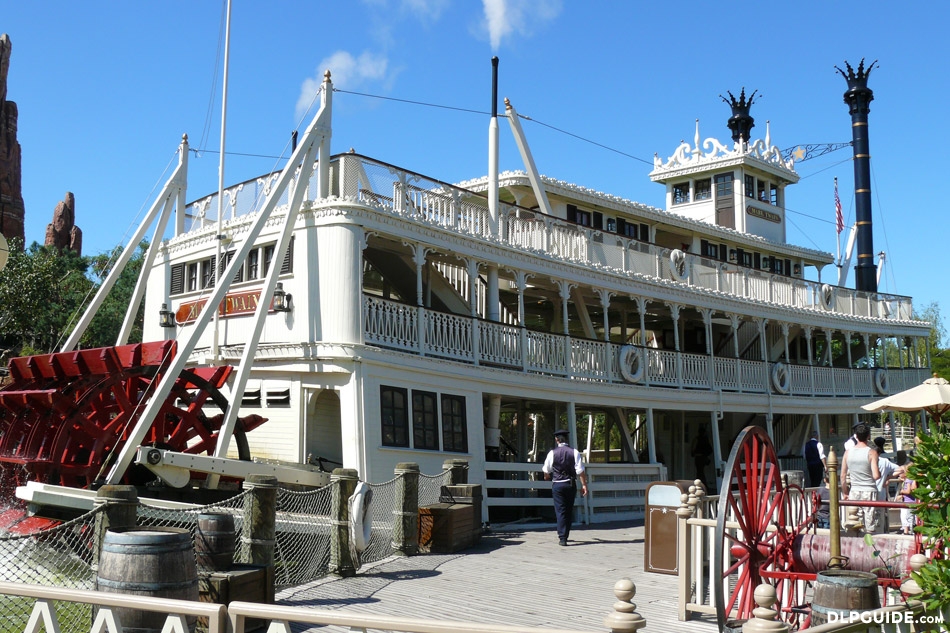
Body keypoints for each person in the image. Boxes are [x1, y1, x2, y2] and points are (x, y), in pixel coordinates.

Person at [542, 429, 588, 546]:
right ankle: (565, 534)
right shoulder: (574, 452)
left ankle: (562, 537)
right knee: (568, 510)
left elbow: (546, 469)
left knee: (560, 510)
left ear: (557, 439)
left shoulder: (552, 453)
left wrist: (546, 476)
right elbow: (580, 470)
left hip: (557, 484)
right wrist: (584, 485)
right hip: (570, 484)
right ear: (566, 439)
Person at [840, 423, 881, 533]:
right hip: (869, 491)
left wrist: (845, 493)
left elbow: (843, 476)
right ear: (868, 436)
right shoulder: (872, 453)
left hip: (854, 491)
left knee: (855, 524)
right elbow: (876, 475)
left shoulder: (847, 453)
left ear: (856, 436)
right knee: (870, 526)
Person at [897, 458, 918, 535]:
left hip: (909, 501)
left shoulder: (908, 480)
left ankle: (911, 532)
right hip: (913, 501)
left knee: (909, 517)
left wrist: (902, 491)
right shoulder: (913, 479)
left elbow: (908, 491)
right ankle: (913, 531)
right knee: (913, 517)